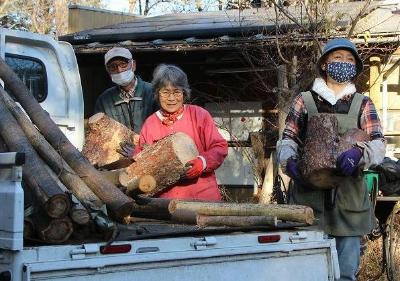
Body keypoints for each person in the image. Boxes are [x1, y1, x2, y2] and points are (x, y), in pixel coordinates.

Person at [276, 38, 386, 281]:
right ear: (325, 64)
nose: (343, 63)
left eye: (349, 60)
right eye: (337, 58)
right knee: (307, 274)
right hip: (308, 203)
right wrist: (289, 162)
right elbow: (287, 139)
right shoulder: (304, 101)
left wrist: (360, 153)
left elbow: (379, 143)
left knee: (345, 274)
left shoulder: (363, 103)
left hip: (349, 205)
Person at [135, 64, 228, 201]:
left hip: (203, 196)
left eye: (177, 92)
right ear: (157, 94)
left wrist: (202, 162)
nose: (171, 98)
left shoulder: (199, 115)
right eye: (165, 92)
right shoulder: (150, 123)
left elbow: (220, 147)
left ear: (184, 93)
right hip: (166, 201)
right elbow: (141, 160)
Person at [94, 47, 156, 156]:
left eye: (123, 64)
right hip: (119, 158)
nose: (119, 70)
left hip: (152, 155)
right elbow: (101, 136)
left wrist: (142, 152)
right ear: (108, 71)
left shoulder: (153, 92)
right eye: (113, 67)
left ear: (133, 65)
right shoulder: (103, 100)